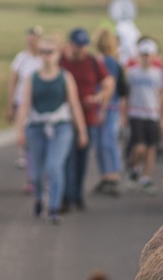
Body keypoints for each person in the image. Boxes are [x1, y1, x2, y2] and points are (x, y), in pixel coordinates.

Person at [16, 35, 88, 224]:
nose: (46, 56)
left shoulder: (65, 77)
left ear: (58, 54)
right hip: (37, 126)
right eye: (43, 52)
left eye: (50, 52)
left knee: (54, 166)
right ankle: (39, 197)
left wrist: (81, 131)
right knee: (37, 173)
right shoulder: (32, 79)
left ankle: (54, 206)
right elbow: (25, 105)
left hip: (60, 126)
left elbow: (74, 105)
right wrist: (20, 130)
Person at [59, 28, 115, 211]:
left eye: (84, 46)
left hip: (88, 118)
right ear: (71, 45)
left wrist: (99, 98)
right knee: (67, 159)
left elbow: (108, 83)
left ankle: (77, 194)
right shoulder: (62, 62)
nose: (81, 49)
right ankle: (66, 196)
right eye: (78, 45)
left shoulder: (92, 62)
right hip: (66, 118)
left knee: (82, 160)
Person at [125, 38, 163, 194]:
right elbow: (127, 94)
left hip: (152, 114)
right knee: (139, 147)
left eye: (149, 55)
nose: (146, 58)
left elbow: (161, 95)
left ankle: (146, 177)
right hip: (136, 114)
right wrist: (125, 113)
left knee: (151, 148)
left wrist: (162, 117)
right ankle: (134, 166)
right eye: (143, 55)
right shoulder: (132, 73)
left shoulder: (158, 74)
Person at [8, 25, 43, 190]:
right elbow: (13, 80)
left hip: (40, 105)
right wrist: (10, 104)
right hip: (22, 102)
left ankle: (39, 176)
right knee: (27, 140)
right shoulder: (21, 58)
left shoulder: (44, 58)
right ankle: (31, 177)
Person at [92, 28, 125, 196]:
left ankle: (113, 174)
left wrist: (103, 109)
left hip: (108, 107)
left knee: (107, 141)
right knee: (99, 142)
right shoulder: (104, 60)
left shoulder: (109, 62)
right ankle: (106, 175)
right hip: (102, 106)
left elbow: (109, 87)